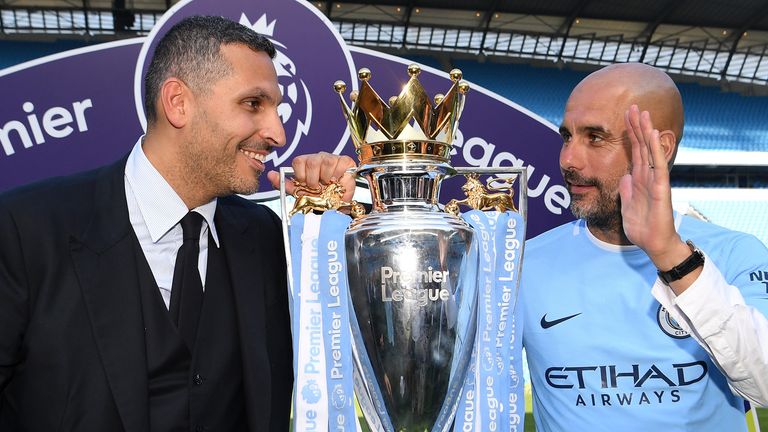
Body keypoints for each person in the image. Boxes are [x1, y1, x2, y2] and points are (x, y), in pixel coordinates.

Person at [0, 15, 353, 432]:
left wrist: (330, 224)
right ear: (178, 102)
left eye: (277, 108)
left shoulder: (271, 239)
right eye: (254, 104)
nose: (277, 132)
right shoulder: (25, 229)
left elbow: (359, 360)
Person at [519, 62, 768, 431]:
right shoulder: (523, 265)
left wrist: (670, 254)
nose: (568, 159)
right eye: (566, 136)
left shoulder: (736, 254)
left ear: (659, 148)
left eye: (595, 137)